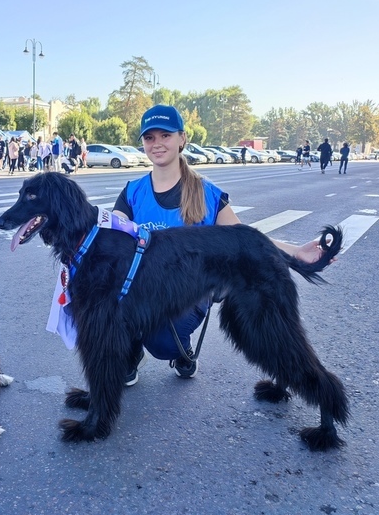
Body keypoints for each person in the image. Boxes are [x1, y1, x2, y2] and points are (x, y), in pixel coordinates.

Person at [111, 105, 334, 385]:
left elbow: (246, 239)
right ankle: (129, 354)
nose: (157, 144)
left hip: (188, 294)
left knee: (162, 341)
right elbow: (111, 239)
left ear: (182, 139)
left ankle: (181, 352)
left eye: (165, 136)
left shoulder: (207, 193)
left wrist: (295, 253)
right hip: (143, 291)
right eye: (149, 138)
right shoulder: (133, 192)